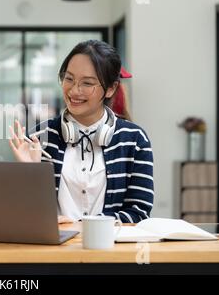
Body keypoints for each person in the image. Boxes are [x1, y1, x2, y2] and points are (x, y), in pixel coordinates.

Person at [8, 40, 153, 223]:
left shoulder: (135, 140)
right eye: (69, 79)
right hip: (55, 249)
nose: (74, 90)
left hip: (110, 249)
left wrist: (83, 226)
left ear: (110, 88)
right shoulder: (39, 137)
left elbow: (139, 212)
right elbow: (23, 216)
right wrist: (31, 173)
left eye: (87, 83)